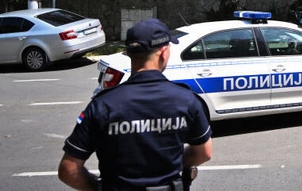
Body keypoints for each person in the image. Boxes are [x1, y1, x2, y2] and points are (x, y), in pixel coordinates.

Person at [58, 19, 212, 191]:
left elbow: (69, 169)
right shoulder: (187, 100)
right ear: (163, 52)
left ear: (128, 53)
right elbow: (204, 152)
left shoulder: (102, 105)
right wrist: (175, 163)